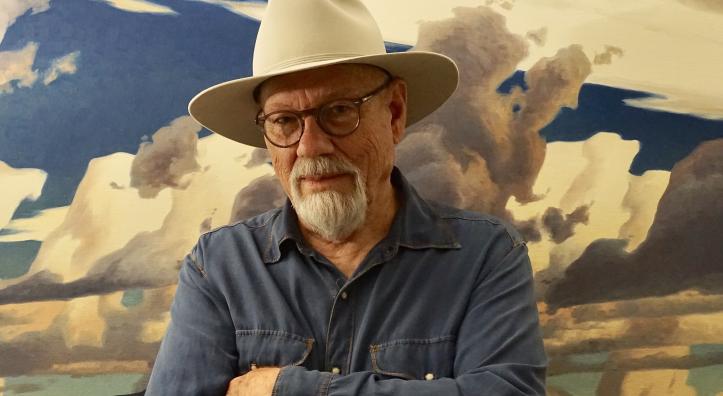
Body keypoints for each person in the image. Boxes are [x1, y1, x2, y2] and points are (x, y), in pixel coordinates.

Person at [145, 0, 547, 395]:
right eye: (285, 121)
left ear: (393, 113)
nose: (311, 147)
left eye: (339, 111)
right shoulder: (218, 267)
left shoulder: (486, 255)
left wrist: (284, 387)